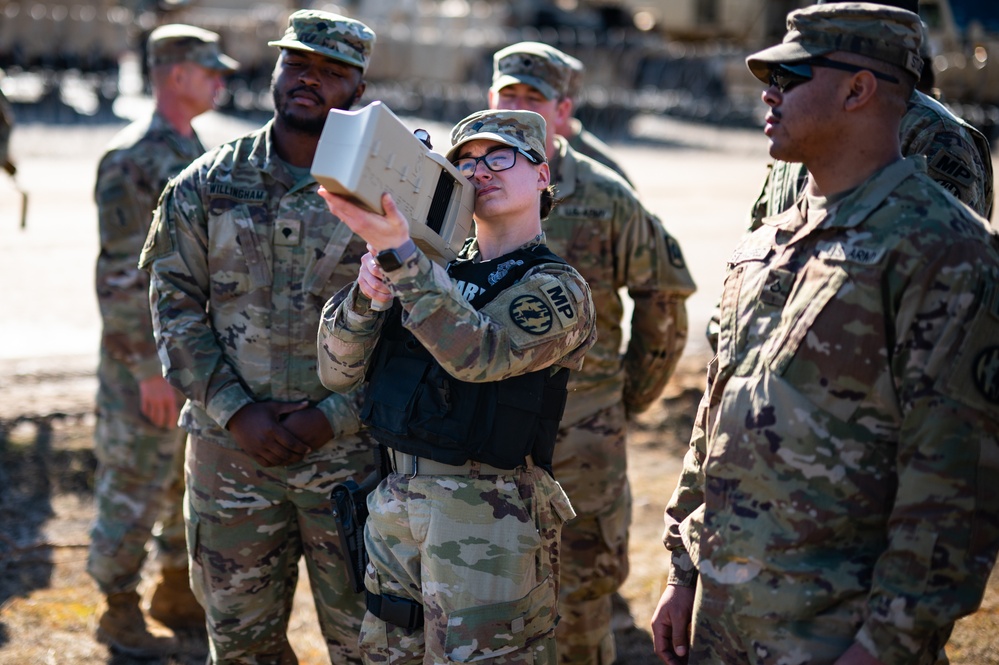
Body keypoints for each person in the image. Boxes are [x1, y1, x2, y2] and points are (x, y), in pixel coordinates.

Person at [651, 4, 999, 664]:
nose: (767, 92)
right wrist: (680, 569)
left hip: (838, 638)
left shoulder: (943, 252)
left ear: (857, 90)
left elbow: (954, 486)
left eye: (790, 76)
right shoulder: (764, 244)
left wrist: (883, 644)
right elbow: (718, 413)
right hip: (724, 627)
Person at [316, 107, 596, 665]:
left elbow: (480, 354)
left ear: (542, 175)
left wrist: (403, 262)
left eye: (500, 156)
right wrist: (369, 295)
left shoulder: (558, 287)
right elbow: (335, 370)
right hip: (396, 506)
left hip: (488, 518)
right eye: (465, 160)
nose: (480, 170)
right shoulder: (422, 267)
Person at [139, 10, 378, 664]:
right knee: (242, 647)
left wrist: (334, 417)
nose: (310, 79)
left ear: (358, 88)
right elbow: (174, 308)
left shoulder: (388, 194)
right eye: (297, 63)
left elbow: (418, 324)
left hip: (352, 464)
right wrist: (236, 411)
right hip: (231, 462)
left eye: (332, 72)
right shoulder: (206, 183)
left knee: (372, 645)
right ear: (275, 70)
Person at [489, 40, 697, 665]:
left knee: (580, 603)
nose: (519, 107)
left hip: (583, 437)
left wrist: (629, 393)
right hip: (488, 435)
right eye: (508, 95)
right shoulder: (463, 184)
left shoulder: (606, 195)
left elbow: (663, 294)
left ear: (562, 110)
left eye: (534, 98)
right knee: (490, 602)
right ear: (489, 99)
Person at [89, 23, 237, 657]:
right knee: (132, 479)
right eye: (210, 70)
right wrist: (150, 370)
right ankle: (117, 606)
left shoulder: (193, 148)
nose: (220, 81)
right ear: (176, 74)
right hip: (143, 365)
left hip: (190, 357)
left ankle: (176, 590)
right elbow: (121, 276)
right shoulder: (131, 159)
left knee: (184, 480)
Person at [750, 0, 993, 224]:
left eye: (791, 75)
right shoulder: (802, 125)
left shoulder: (934, 134)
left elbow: (944, 249)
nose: (770, 94)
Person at [556, 52, 634, 187]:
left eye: (534, 98)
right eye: (509, 95)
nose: (516, 107)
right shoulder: (512, 155)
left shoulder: (604, 169)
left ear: (564, 107)